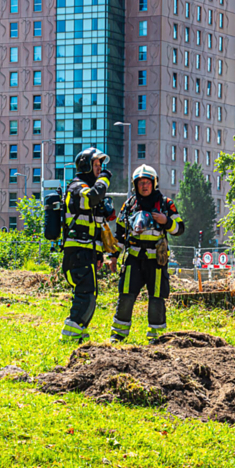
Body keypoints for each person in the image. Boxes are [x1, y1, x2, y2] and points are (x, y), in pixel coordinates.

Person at [109, 165, 184, 343]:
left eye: (147, 182)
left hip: (156, 261)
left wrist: (166, 221)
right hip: (133, 259)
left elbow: (180, 228)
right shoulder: (129, 205)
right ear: (135, 185)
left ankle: (156, 338)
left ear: (154, 183)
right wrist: (113, 256)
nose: (144, 186)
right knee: (126, 295)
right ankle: (118, 335)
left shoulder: (166, 204)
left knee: (156, 298)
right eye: (140, 182)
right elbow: (120, 233)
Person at [60, 147, 115, 341]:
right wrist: (105, 180)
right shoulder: (77, 187)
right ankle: (70, 335)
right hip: (77, 253)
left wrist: (99, 255)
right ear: (86, 166)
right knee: (86, 294)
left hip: (87, 252)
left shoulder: (87, 187)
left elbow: (97, 227)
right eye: (97, 165)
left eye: (101, 166)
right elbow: (91, 198)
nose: (100, 169)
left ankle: (79, 334)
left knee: (89, 294)